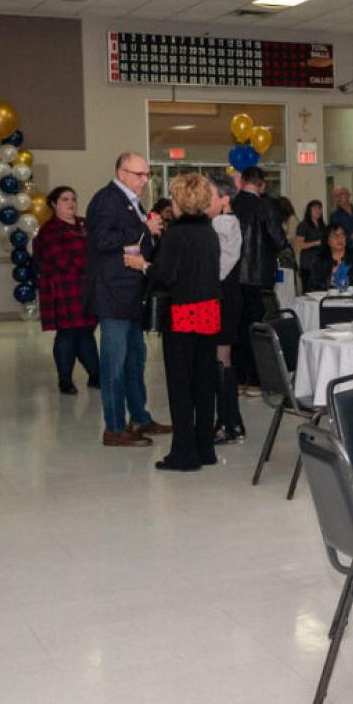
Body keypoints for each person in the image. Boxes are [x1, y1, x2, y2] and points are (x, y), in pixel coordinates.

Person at [124, 173, 221, 473]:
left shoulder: (176, 235)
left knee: (181, 386)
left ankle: (184, 454)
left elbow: (165, 275)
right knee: (204, 384)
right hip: (210, 311)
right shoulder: (209, 231)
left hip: (183, 313)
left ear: (180, 201)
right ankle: (205, 448)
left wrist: (143, 265)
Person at [84, 152, 169, 448]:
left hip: (131, 292)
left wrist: (152, 235)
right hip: (113, 293)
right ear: (122, 173)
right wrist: (144, 229)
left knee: (135, 360)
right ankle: (114, 427)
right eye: (139, 174)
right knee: (114, 364)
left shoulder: (131, 200)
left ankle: (140, 417)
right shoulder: (107, 200)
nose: (145, 180)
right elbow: (102, 240)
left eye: (147, 174)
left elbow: (137, 244)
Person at [34, 186, 100, 394]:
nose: (71, 203)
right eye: (65, 199)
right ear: (54, 204)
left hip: (88, 288)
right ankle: (65, 381)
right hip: (64, 290)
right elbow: (60, 260)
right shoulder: (50, 230)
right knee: (67, 334)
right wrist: (92, 264)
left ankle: (96, 376)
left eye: (73, 199)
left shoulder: (84, 224)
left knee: (86, 333)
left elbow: (99, 247)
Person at [231, 165, 286, 389]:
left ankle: (238, 377)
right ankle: (255, 380)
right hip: (259, 275)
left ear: (243, 181)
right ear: (262, 185)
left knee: (237, 327)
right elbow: (279, 240)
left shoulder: (231, 204)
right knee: (257, 327)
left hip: (233, 275)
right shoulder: (266, 206)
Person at [208, 175, 246, 445]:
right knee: (222, 357)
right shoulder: (222, 222)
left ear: (224, 199)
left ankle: (226, 422)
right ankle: (232, 420)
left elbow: (220, 268)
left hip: (224, 298)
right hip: (226, 297)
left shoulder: (224, 223)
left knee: (222, 358)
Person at [300, 224, 353, 292]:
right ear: (327, 241)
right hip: (326, 297)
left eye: (342, 235)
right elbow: (312, 286)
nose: (339, 238)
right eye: (334, 236)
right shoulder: (320, 260)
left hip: (352, 296)